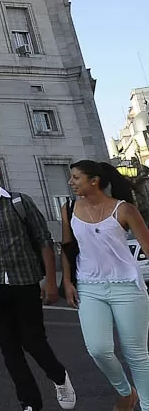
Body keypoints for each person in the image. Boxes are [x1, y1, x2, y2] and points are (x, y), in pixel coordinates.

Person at [0, 158, 76, 411]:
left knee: (33, 341)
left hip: (24, 281)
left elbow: (43, 240)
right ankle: (29, 402)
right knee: (8, 348)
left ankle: (59, 376)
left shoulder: (19, 202)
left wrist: (50, 282)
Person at [61, 161, 149, 411]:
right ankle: (125, 392)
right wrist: (67, 281)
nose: (71, 182)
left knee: (137, 356)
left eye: (76, 177)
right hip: (90, 287)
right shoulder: (68, 209)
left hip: (127, 287)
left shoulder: (124, 209)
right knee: (98, 349)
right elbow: (67, 248)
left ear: (94, 180)